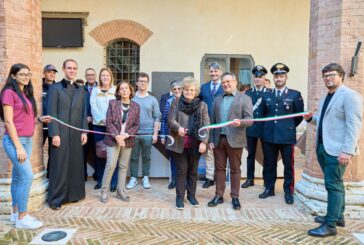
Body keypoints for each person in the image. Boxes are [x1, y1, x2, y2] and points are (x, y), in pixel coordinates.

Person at [305, 63, 362, 237]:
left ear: (341, 76)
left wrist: (347, 151)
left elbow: (354, 125)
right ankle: (338, 217)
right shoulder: (326, 97)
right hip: (323, 148)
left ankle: (330, 226)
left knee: (333, 185)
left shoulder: (350, 96)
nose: (328, 78)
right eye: (325, 76)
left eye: (332, 75)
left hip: (338, 150)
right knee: (335, 184)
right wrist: (310, 119)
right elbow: (324, 121)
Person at [1, 63, 51, 229]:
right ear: (13, 76)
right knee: (27, 176)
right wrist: (18, 147)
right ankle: (23, 217)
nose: (26, 77)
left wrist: (38, 120)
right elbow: (8, 121)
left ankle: (15, 214)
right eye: (22, 74)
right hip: (16, 141)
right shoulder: (9, 93)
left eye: (28, 74)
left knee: (17, 177)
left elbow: (23, 118)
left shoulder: (25, 93)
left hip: (27, 140)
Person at [259, 63, 304, 205]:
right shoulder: (266, 95)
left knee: (288, 166)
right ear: (273, 77)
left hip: (286, 137)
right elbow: (262, 115)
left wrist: (288, 127)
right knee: (269, 164)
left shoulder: (294, 94)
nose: (279, 78)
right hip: (269, 136)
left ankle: (288, 191)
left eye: (281, 75)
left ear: (286, 77)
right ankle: (269, 188)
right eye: (276, 76)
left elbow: (299, 116)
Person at [208, 72, 253, 210]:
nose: (226, 84)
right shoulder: (217, 99)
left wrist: (240, 123)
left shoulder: (245, 99)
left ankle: (235, 197)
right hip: (218, 140)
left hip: (235, 139)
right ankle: (219, 195)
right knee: (219, 169)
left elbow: (250, 119)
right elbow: (212, 122)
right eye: (223, 83)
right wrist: (210, 139)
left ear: (235, 82)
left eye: (228, 81)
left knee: (235, 169)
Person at [47, 59, 88, 210]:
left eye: (74, 68)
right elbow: (51, 113)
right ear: (63, 69)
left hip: (76, 133)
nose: (72, 71)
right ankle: (56, 199)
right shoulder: (55, 88)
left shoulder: (81, 89)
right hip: (61, 134)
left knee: (75, 164)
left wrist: (84, 131)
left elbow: (84, 113)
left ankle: (74, 195)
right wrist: (55, 134)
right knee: (59, 165)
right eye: (69, 68)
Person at [167, 76, 209, 209]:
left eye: (191, 90)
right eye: (186, 90)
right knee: (181, 171)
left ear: (196, 91)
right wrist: (178, 128)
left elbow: (206, 124)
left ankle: (191, 196)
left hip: (195, 144)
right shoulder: (176, 103)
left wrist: (204, 142)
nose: (189, 92)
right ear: (183, 90)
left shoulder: (202, 105)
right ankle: (179, 198)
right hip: (180, 143)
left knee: (193, 172)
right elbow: (171, 120)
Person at [101, 81, 140, 203]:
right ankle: (104, 191)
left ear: (130, 91)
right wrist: (117, 136)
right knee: (111, 165)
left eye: (126, 88)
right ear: (118, 92)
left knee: (123, 166)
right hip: (113, 140)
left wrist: (126, 135)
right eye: (121, 88)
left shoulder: (136, 106)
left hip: (127, 140)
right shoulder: (112, 104)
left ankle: (120, 191)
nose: (124, 90)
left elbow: (136, 125)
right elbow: (109, 122)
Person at [127, 72, 161, 189]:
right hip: (133, 133)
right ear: (136, 83)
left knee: (147, 157)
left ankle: (146, 177)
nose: (143, 83)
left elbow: (157, 117)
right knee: (134, 157)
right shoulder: (131, 98)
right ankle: (133, 178)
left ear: (147, 83)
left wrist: (155, 133)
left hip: (148, 133)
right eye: (140, 81)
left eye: (145, 81)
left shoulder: (153, 100)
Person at [242, 65, 271, 188]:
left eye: (261, 76)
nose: (258, 79)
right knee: (251, 155)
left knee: (267, 155)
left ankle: (266, 179)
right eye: (256, 76)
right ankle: (250, 178)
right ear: (253, 78)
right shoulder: (247, 93)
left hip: (265, 128)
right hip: (251, 128)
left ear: (265, 78)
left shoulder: (270, 93)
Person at [90, 68, 118, 191]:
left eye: (107, 75)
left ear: (111, 77)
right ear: (100, 77)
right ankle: (101, 181)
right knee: (100, 153)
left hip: (114, 126)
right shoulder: (95, 91)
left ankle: (113, 182)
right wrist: (102, 119)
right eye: (103, 75)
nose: (105, 77)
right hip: (99, 126)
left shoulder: (116, 90)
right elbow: (93, 106)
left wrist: (111, 121)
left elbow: (119, 106)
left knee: (113, 154)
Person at [199, 62, 224, 189]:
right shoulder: (203, 88)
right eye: (211, 71)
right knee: (208, 152)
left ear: (220, 72)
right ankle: (210, 178)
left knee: (219, 151)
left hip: (221, 124)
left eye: (216, 71)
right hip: (206, 124)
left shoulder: (225, 87)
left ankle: (220, 177)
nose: (213, 74)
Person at [160, 80, 182, 189]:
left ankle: (184, 181)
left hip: (184, 135)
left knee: (184, 158)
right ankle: (174, 180)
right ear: (171, 91)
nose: (177, 91)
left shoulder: (188, 100)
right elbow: (164, 120)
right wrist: (163, 136)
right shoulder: (168, 102)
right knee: (173, 158)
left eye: (179, 88)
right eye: (175, 89)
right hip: (171, 134)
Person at [84, 68, 98, 180]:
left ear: (95, 76)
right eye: (88, 75)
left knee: (97, 149)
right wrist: (85, 118)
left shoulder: (100, 89)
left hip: (97, 124)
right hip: (84, 124)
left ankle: (97, 174)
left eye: (92, 75)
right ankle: (82, 174)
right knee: (83, 149)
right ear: (85, 76)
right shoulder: (81, 89)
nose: (90, 77)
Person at [42, 64, 57, 146]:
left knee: (54, 151)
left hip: (54, 124)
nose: (52, 74)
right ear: (44, 73)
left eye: (54, 73)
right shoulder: (38, 87)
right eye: (49, 72)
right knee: (37, 149)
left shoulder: (58, 88)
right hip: (41, 124)